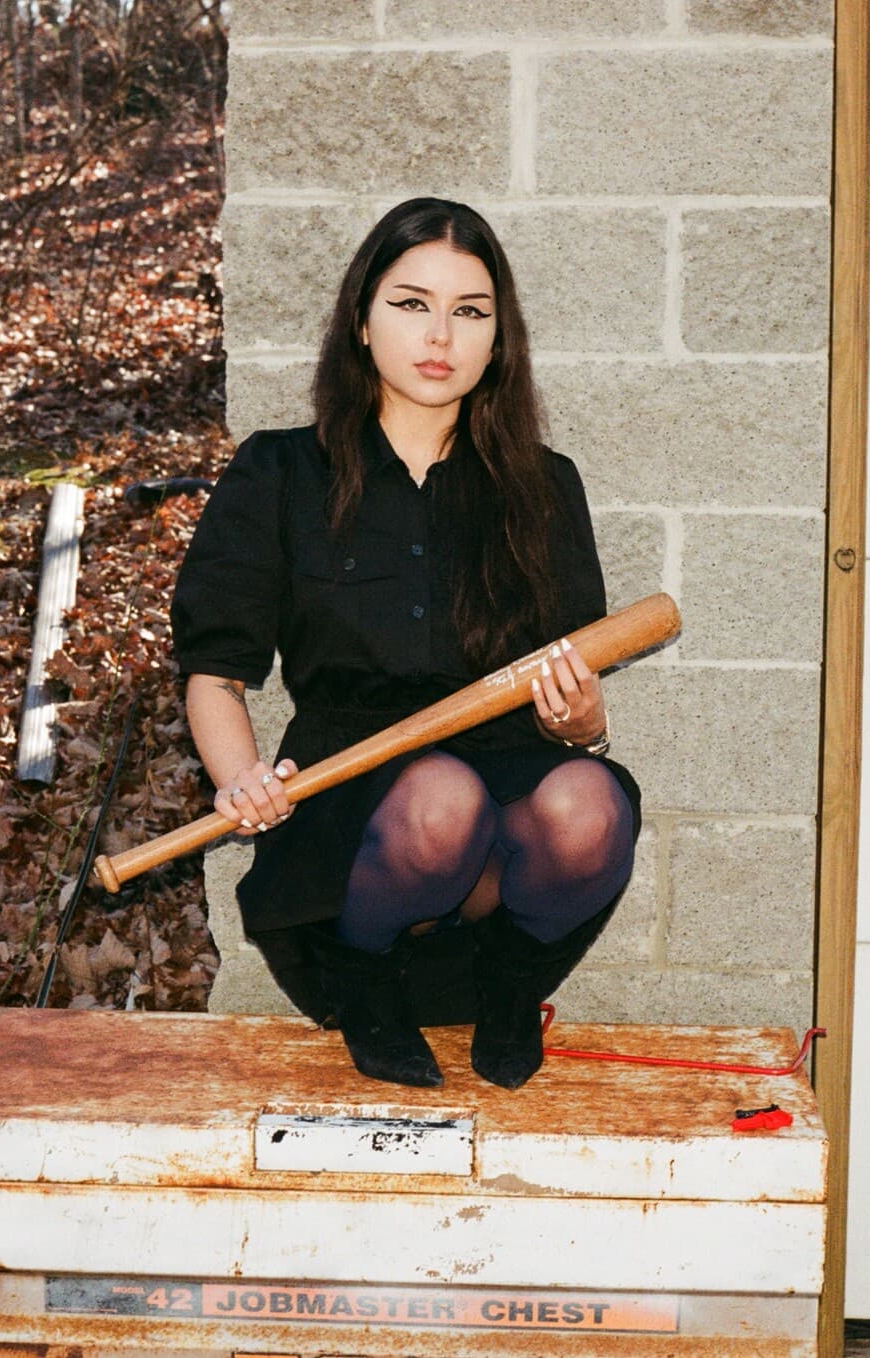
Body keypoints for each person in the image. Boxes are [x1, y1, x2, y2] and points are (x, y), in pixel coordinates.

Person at [169, 197, 644, 1090]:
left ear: (499, 339)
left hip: (506, 813)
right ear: (361, 319)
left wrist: (582, 722)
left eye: (470, 312)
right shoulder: (277, 474)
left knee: (588, 803)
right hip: (353, 826)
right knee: (439, 798)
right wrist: (240, 780)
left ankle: (509, 985)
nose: (441, 336)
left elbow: (575, 704)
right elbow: (218, 674)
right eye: (411, 302)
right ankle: (367, 981)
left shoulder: (545, 486)